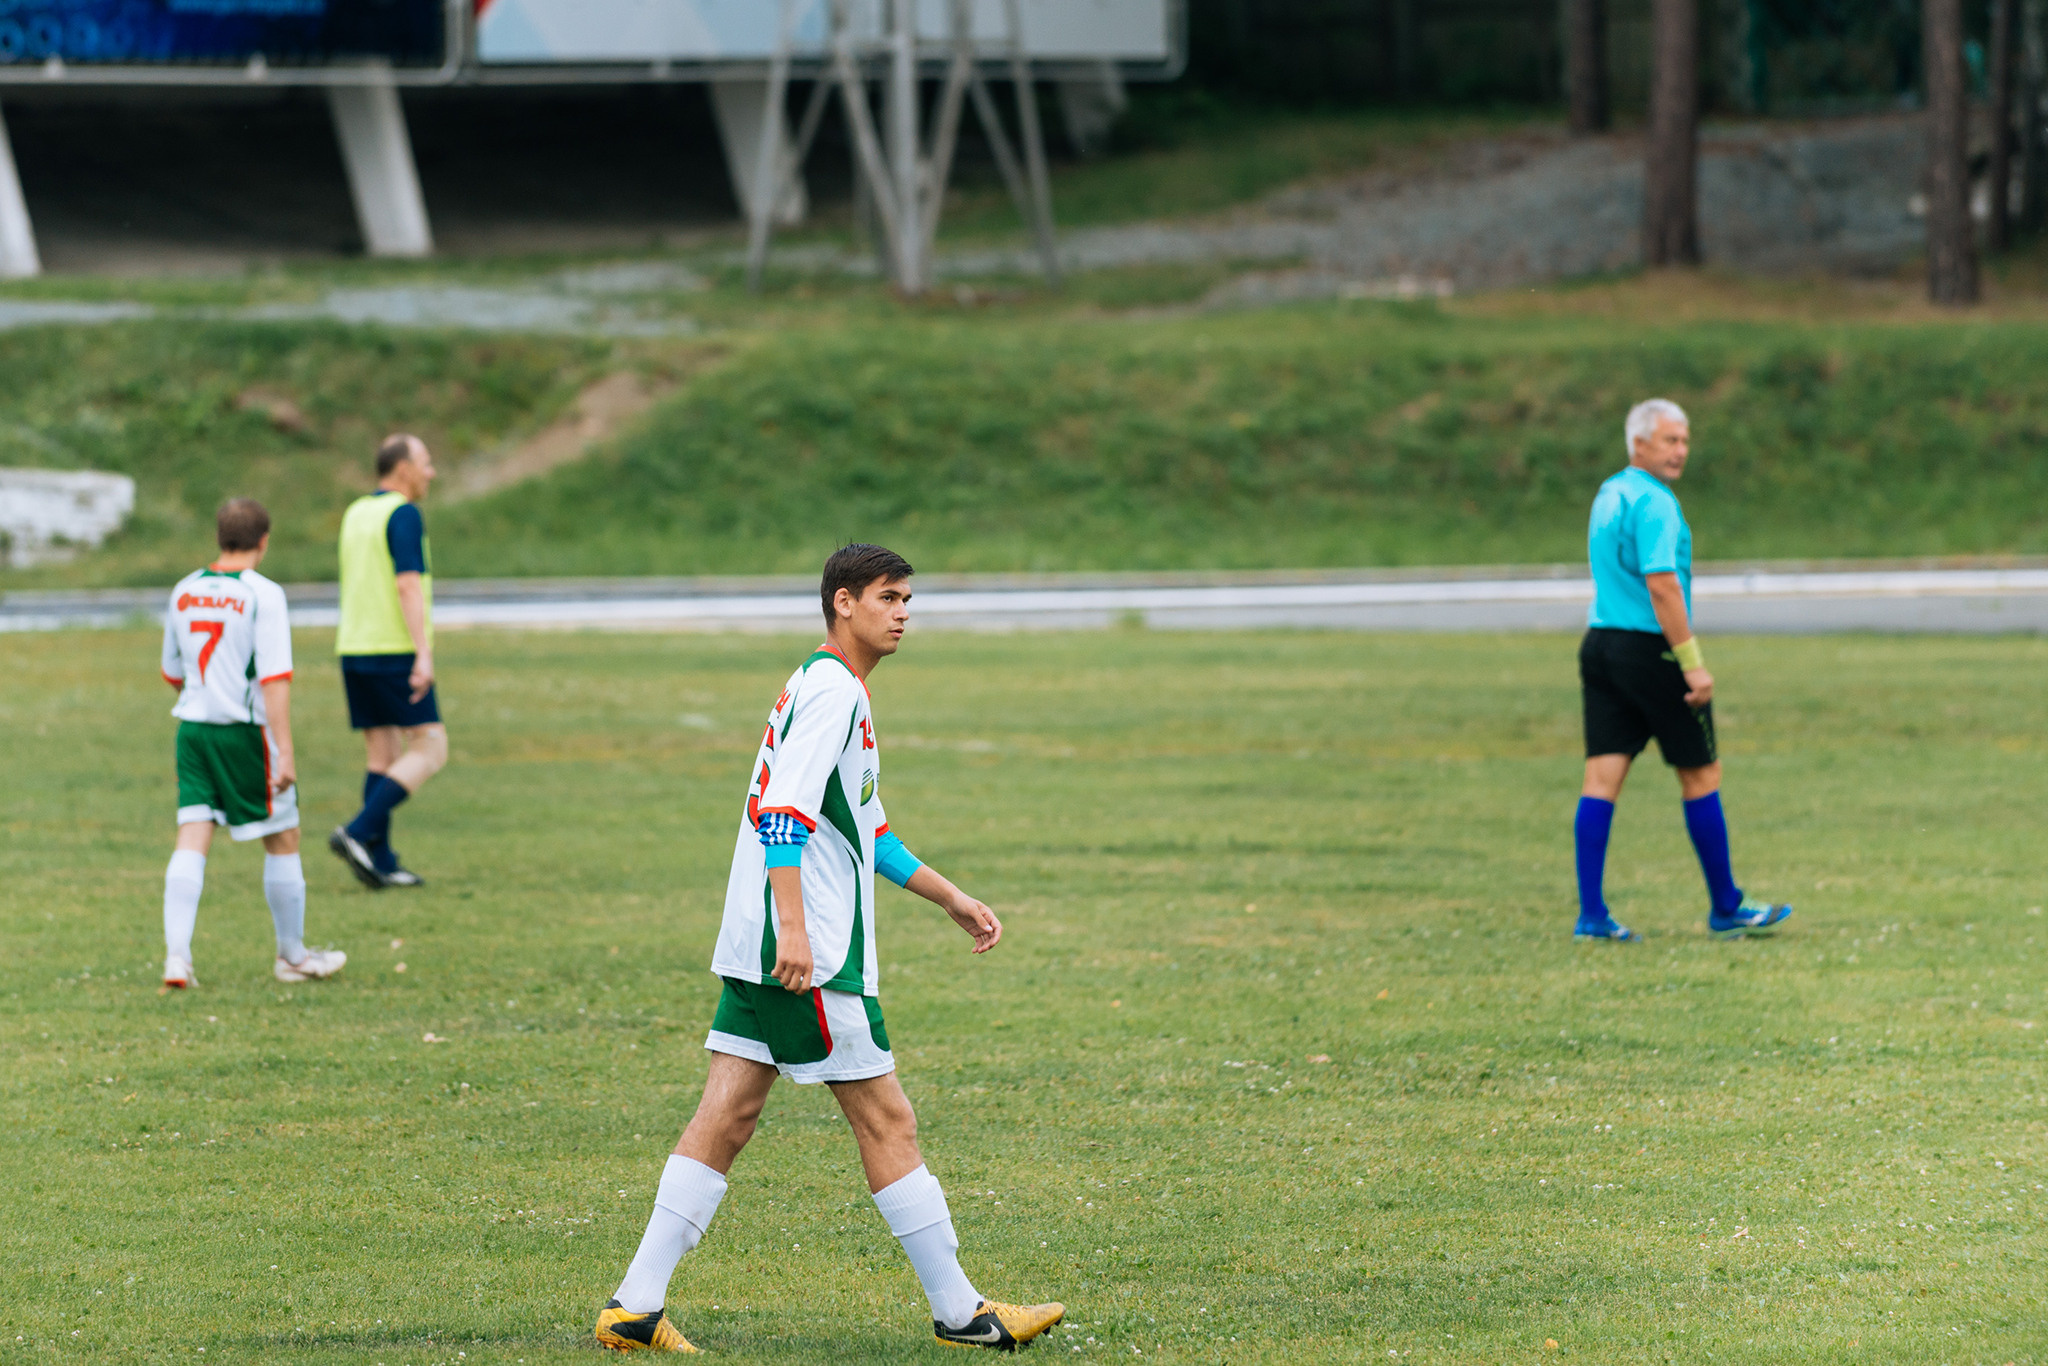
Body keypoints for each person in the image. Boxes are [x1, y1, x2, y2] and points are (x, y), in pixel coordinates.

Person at [593, 544, 1063, 1354]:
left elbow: (866, 829)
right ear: (843, 603)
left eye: (908, 598)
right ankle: (962, 1313)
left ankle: (633, 1307)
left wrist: (950, 898)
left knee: (728, 1113)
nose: (903, 612)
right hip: (806, 955)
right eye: (888, 596)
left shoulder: (831, 687)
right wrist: (799, 931)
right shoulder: (832, 689)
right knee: (889, 1119)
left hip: (760, 945)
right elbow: (784, 815)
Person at [1573, 399, 1792, 942]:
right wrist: (1693, 665)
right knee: (1700, 774)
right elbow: (1662, 584)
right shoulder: (1656, 504)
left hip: (1601, 643)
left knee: (1602, 778)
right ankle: (1727, 906)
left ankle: (1592, 915)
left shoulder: (1609, 494)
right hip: (1652, 651)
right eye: (1669, 440)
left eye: (1684, 440)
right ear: (1639, 443)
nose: (1680, 451)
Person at [158, 499, 347, 988]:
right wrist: (284, 750)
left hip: (193, 731)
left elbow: (172, 671)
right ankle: (292, 957)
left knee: (193, 834)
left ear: (220, 538)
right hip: (244, 732)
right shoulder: (264, 595)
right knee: (283, 836)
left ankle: (177, 958)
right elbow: (275, 679)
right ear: (264, 541)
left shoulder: (184, 590)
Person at [329, 433, 446, 890]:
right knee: (432, 748)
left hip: (354, 648)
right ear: (402, 469)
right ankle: (357, 832)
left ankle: (380, 860)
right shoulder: (403, 514)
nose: (431, 473)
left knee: (383, 755)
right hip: (392, 648)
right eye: (426, 462)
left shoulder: (356, 513)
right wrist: (423, 652)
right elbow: (406, 585)